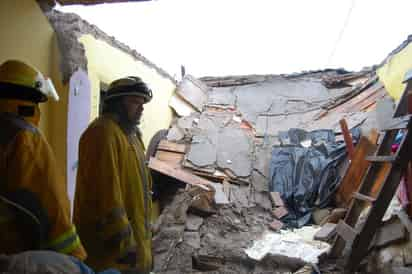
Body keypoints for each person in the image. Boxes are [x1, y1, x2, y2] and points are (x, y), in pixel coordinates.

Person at [0, 60, 86, 260]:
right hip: (21, 255)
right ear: (28, 99)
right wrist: (75, 260)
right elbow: (51, 208)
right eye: (37, 101)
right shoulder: (25, 139)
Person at [74, 77, 154, 273]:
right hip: (113, 255)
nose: (141, 108)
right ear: (116, 104)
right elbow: (106, 195)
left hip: (133, 251)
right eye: (135, 102)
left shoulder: (132, 136)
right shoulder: (103, 133)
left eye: (143, 103)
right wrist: (125, 246)